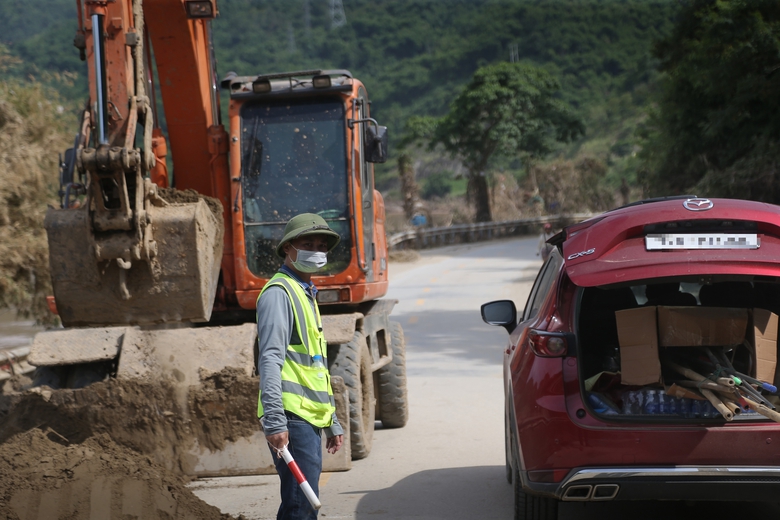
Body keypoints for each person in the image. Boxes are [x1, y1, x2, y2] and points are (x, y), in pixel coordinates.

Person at [256, 212, 344, 520]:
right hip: (291, 418)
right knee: (299, 506)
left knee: (304, 504)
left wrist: (330, 420)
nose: (316, 250)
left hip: (308, 417)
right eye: (308, 243)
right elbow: (270, 359)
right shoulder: (280, 293)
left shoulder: (306, 293)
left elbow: (316, 367)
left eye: (322, 245)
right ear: (287, 249)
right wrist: (275, 422)